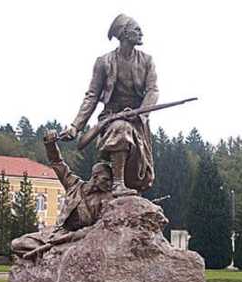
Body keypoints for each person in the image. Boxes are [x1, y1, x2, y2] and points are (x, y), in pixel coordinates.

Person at [62, 14, 159, 197]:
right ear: (124, 33)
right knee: (120, 128)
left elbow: (153, 91)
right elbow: (92, 96)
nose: (141, 33)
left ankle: (126, 185)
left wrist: (140, 114)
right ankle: (118, 184)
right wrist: (76, 127)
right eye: (136, 29)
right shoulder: (104, 62)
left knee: (141, 171)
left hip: (137, 119)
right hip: (112, 117)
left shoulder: (147, 61)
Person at [11, 130, 113, 258]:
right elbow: (57, 163)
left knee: (70, 252)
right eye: (106, 179)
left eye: (111, 181)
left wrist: (71, 238)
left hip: (78, 239)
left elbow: (99, 228)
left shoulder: (106, 200)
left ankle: (54, 254)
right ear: (95, 177)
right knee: (17, 244)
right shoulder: (74, 185)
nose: (109, 184)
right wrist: (50, 144)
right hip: (56, 234)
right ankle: (50, 254)